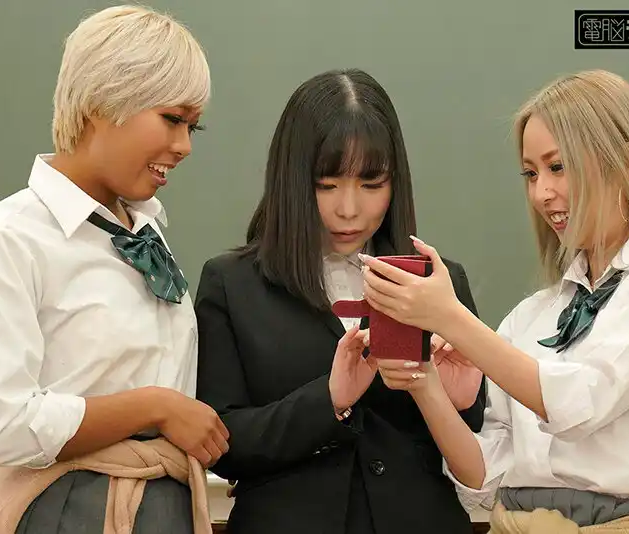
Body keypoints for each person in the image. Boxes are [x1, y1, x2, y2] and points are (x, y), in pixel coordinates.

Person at [360, 69, 629, 532]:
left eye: (558, 167)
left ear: (626, 162)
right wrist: (425, 383)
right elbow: (485, 478)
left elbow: (583, 402)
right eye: (530, 173)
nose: (542, 193)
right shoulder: (532, 315)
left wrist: (452, 318)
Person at [0, 6, 228, 533]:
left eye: (194, 126)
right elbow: (3, 426)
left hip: (163, 506)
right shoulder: (6, 239)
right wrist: (154, 408)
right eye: (172, 119)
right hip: (67, 509)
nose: (184, 146)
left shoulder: (146, 232)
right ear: (102, 102)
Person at [194, 68, 486, 534]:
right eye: (326, 185)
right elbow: (222, 443)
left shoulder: (437, 282)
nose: (349, 210)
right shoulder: (232, 284)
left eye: (372, 185)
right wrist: (327, 400)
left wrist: (443, 389)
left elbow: (474, 437)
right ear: (291, 179)